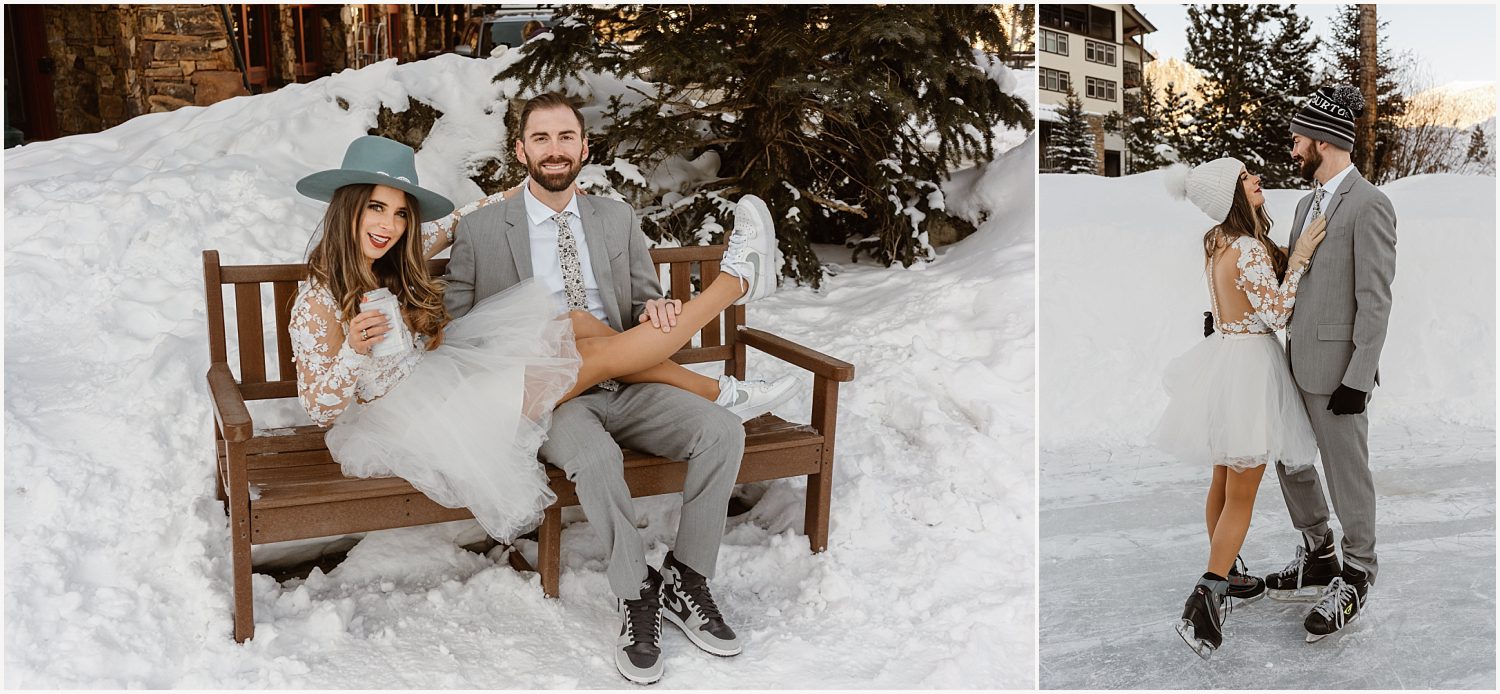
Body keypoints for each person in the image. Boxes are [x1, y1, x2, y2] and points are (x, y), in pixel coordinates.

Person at [286, 135, 780, 681]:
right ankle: (734, 283)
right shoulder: (317, 296)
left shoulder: (389, 255)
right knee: (591, 357)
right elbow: (319, 407)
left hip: (446, 381)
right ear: (347, 206)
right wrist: (354, 349)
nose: (390, 224)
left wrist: (518, 190)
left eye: (401, 212)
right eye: (376, 207)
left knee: (580, 326)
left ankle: (721, 393)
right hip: (421, 421)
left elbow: (450, 224)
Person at [441, 92, 778, 684]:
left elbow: (646, 300)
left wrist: (661, 311)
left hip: (628, 372)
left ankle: (688, 579)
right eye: (540, 139)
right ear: (520, 150)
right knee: (594, 455)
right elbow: (458, 327)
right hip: (558, 397)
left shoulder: (614, 218)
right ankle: (636, 593)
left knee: (721, 431)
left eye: (565, 137)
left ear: (584, 147)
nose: (554, 150)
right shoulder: (483, 228)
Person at [1154, 156, 1328, 659]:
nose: (1258, 178)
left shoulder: (1218, 242)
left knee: (1222, 479)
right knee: (1242, 492)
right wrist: (1296, 265)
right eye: (1247, 176)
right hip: (1251, 367)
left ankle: (1228, 573)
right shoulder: (1248, 247)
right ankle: (1208, 592)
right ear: (1232, 191)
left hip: (1226, 361)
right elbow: (1277, 312)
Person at [1262, 85, 1397, 643]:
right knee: (1290, 461)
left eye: (1299, 138)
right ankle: (1319, 551)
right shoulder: (1302, 204)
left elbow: (1376, 298)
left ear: (1324, 141)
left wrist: (1358, 378)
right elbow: (1296, 276)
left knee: (1346, 473)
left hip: (1340, 371)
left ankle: (1358, 569)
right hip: (1296, 360)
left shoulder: (1369, 204)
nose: (1293, 147)